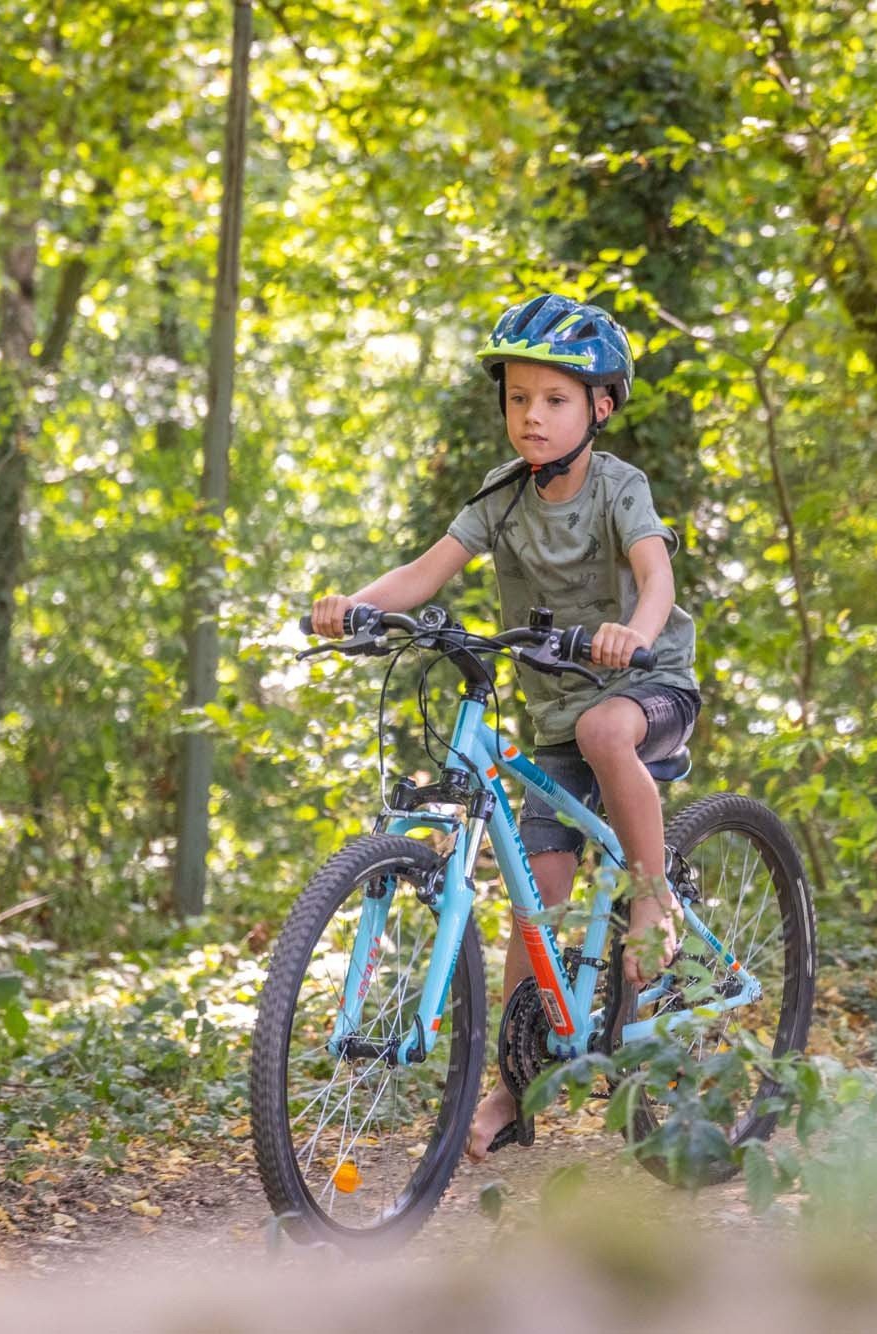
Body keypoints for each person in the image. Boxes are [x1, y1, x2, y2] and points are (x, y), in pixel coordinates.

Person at [308, 293, 701, 1161]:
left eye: (555, 399)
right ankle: (512, 1093)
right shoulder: (501, 497)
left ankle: (652, 897)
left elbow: (656, 574)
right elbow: (424, 571)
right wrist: (355, 609)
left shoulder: (618, 486)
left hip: (650, 687)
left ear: (598, 407)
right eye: (519, 398)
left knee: (606, 733)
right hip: (557, 713)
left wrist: (635, 630)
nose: (532, 415)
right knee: (538, 896)